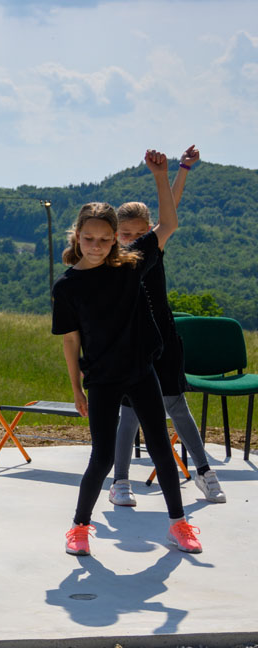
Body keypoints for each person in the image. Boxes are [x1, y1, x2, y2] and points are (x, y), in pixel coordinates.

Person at [51, 149, 202, 557]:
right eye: (89, 239)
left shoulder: (132, 265)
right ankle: (79, 527)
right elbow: (70, 341)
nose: (97, 246)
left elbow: (168, 224)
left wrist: (162, 175)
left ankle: (179, 524)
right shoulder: (67, 286)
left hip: (140, 371)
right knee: (101, 458)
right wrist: (76, 389)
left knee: (160, 448)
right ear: (77, 236)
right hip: (101, 379)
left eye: (105, 239)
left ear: (116, 237)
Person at [109, 145, 225, 506]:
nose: (130, 239)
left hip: (162, 338)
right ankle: (120, 481)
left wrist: (181, 171)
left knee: (176, 406)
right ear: (114, 233)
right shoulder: (109, 259)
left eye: (137, 233)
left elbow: (168, 214)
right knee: (129, 413)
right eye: (123, 234)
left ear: (148, 232)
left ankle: (205, 472)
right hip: (130, 344)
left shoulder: (151, 249)